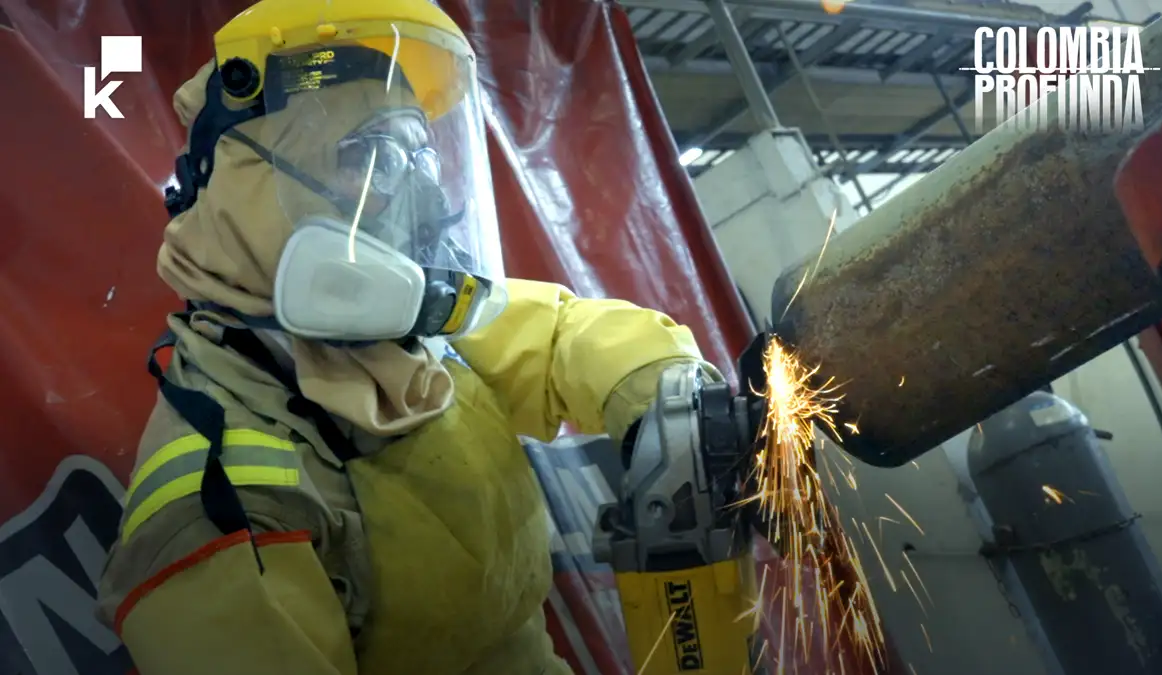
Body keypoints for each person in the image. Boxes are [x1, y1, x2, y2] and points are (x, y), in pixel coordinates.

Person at [95, 0, 721, 673]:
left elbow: (561, 332)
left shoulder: (406, 334)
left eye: (419, 155)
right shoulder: (213, 506)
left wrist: (666, 395)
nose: (421, 197)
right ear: (252, 188)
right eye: (371, 155)